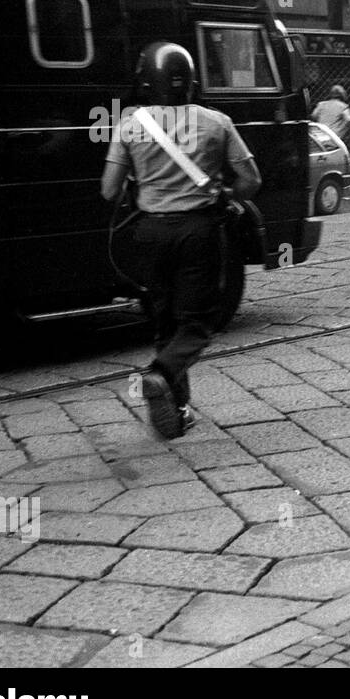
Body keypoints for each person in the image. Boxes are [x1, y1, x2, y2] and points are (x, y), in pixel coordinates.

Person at [101, 42, 261, 440]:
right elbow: (252, 181)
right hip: (198, 231)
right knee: (198, 323)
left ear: (146, 82)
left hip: (150, 233)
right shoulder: (216, 122)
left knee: (165, 321)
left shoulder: (129, 125)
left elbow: (108, 191)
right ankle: (160, 374)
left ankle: (178, 411)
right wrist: (225, 193)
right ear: (190, 80)